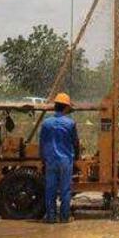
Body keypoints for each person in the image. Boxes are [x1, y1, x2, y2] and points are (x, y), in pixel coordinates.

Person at [39, 92, 80, 223]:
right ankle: (64, 218)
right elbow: (75, 142)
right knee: (65, 190)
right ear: (66, 107)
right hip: (65, 161)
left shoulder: (46, 123)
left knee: (50, 189)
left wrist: (42, 159)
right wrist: (77, 157)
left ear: (55, 106)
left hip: (50, 161)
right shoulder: (70, 123)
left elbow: (42, 143)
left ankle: (51, 218)